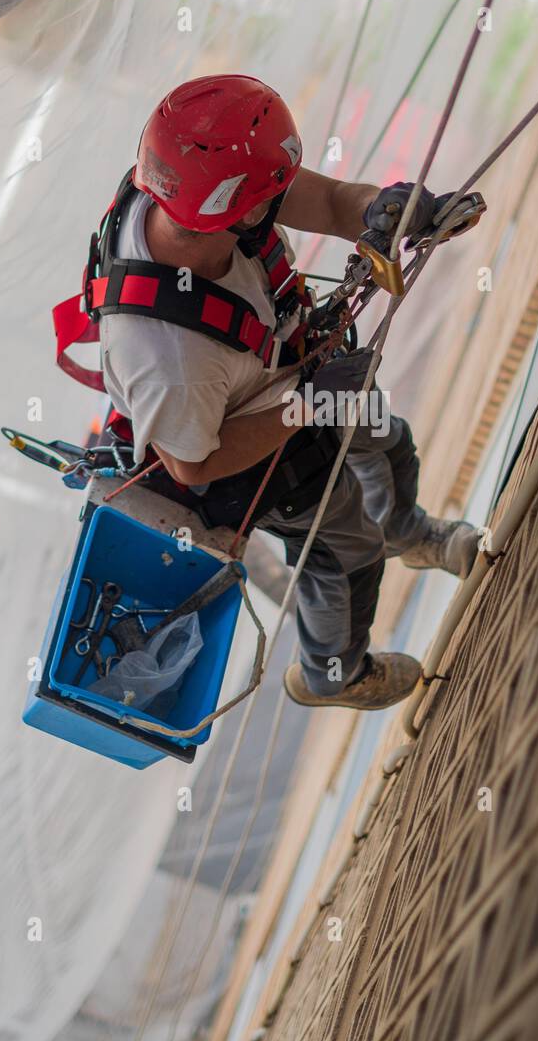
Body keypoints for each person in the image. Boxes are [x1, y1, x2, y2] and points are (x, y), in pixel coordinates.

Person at [96, 74, 479, 710]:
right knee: (346, 551)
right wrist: (307, 401)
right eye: (270, 190)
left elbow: (328, 203)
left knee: (389, 444)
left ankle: (407, 533)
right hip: (253, 445)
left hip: (301, 370)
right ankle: (331, 675)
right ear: (236, 207)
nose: (281, 197)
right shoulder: (163, 353)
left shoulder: (193, 194)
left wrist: (379, 209)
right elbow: (194, 464)